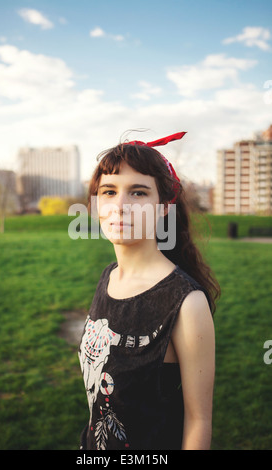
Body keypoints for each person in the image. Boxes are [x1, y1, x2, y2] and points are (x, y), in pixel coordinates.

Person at [78, 132, 221, 450]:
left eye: (138, 193)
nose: (120, 206)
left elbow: (199, 422)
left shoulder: (186, 303)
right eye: (109, 191)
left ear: (163, 207)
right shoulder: (109, 278)